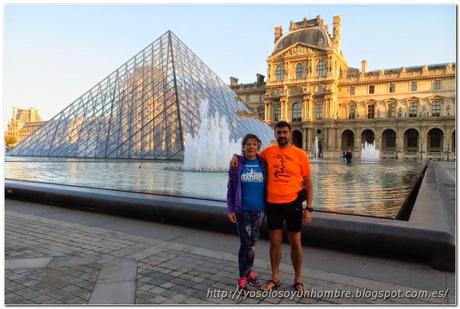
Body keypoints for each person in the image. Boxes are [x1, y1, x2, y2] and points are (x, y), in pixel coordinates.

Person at [230, 121, 313, 294]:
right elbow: (249, 155)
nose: (282, 135)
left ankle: (298, 280)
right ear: (275, 134)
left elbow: (308, 182)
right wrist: (235, 157)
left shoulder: (300, 154)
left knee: (296, 243)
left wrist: (309, 207)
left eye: (285, 132)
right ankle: (275, 277)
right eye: (279, 132)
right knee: (274, 242)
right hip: (273, 204)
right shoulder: (267, 153)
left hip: (293, 204)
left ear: (290, 133)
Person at [227, 133, 267, 290]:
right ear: (243, 147)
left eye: (254, 144)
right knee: (245, 244)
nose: (251, 146)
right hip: (242, 210)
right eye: (248, 144)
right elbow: (231, 188)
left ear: (258, 146)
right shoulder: (237, 164)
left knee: (252, 243)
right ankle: (242, 276)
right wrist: (231, 209)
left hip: (260, 210)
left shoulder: (263, 163)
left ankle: (249, 270)